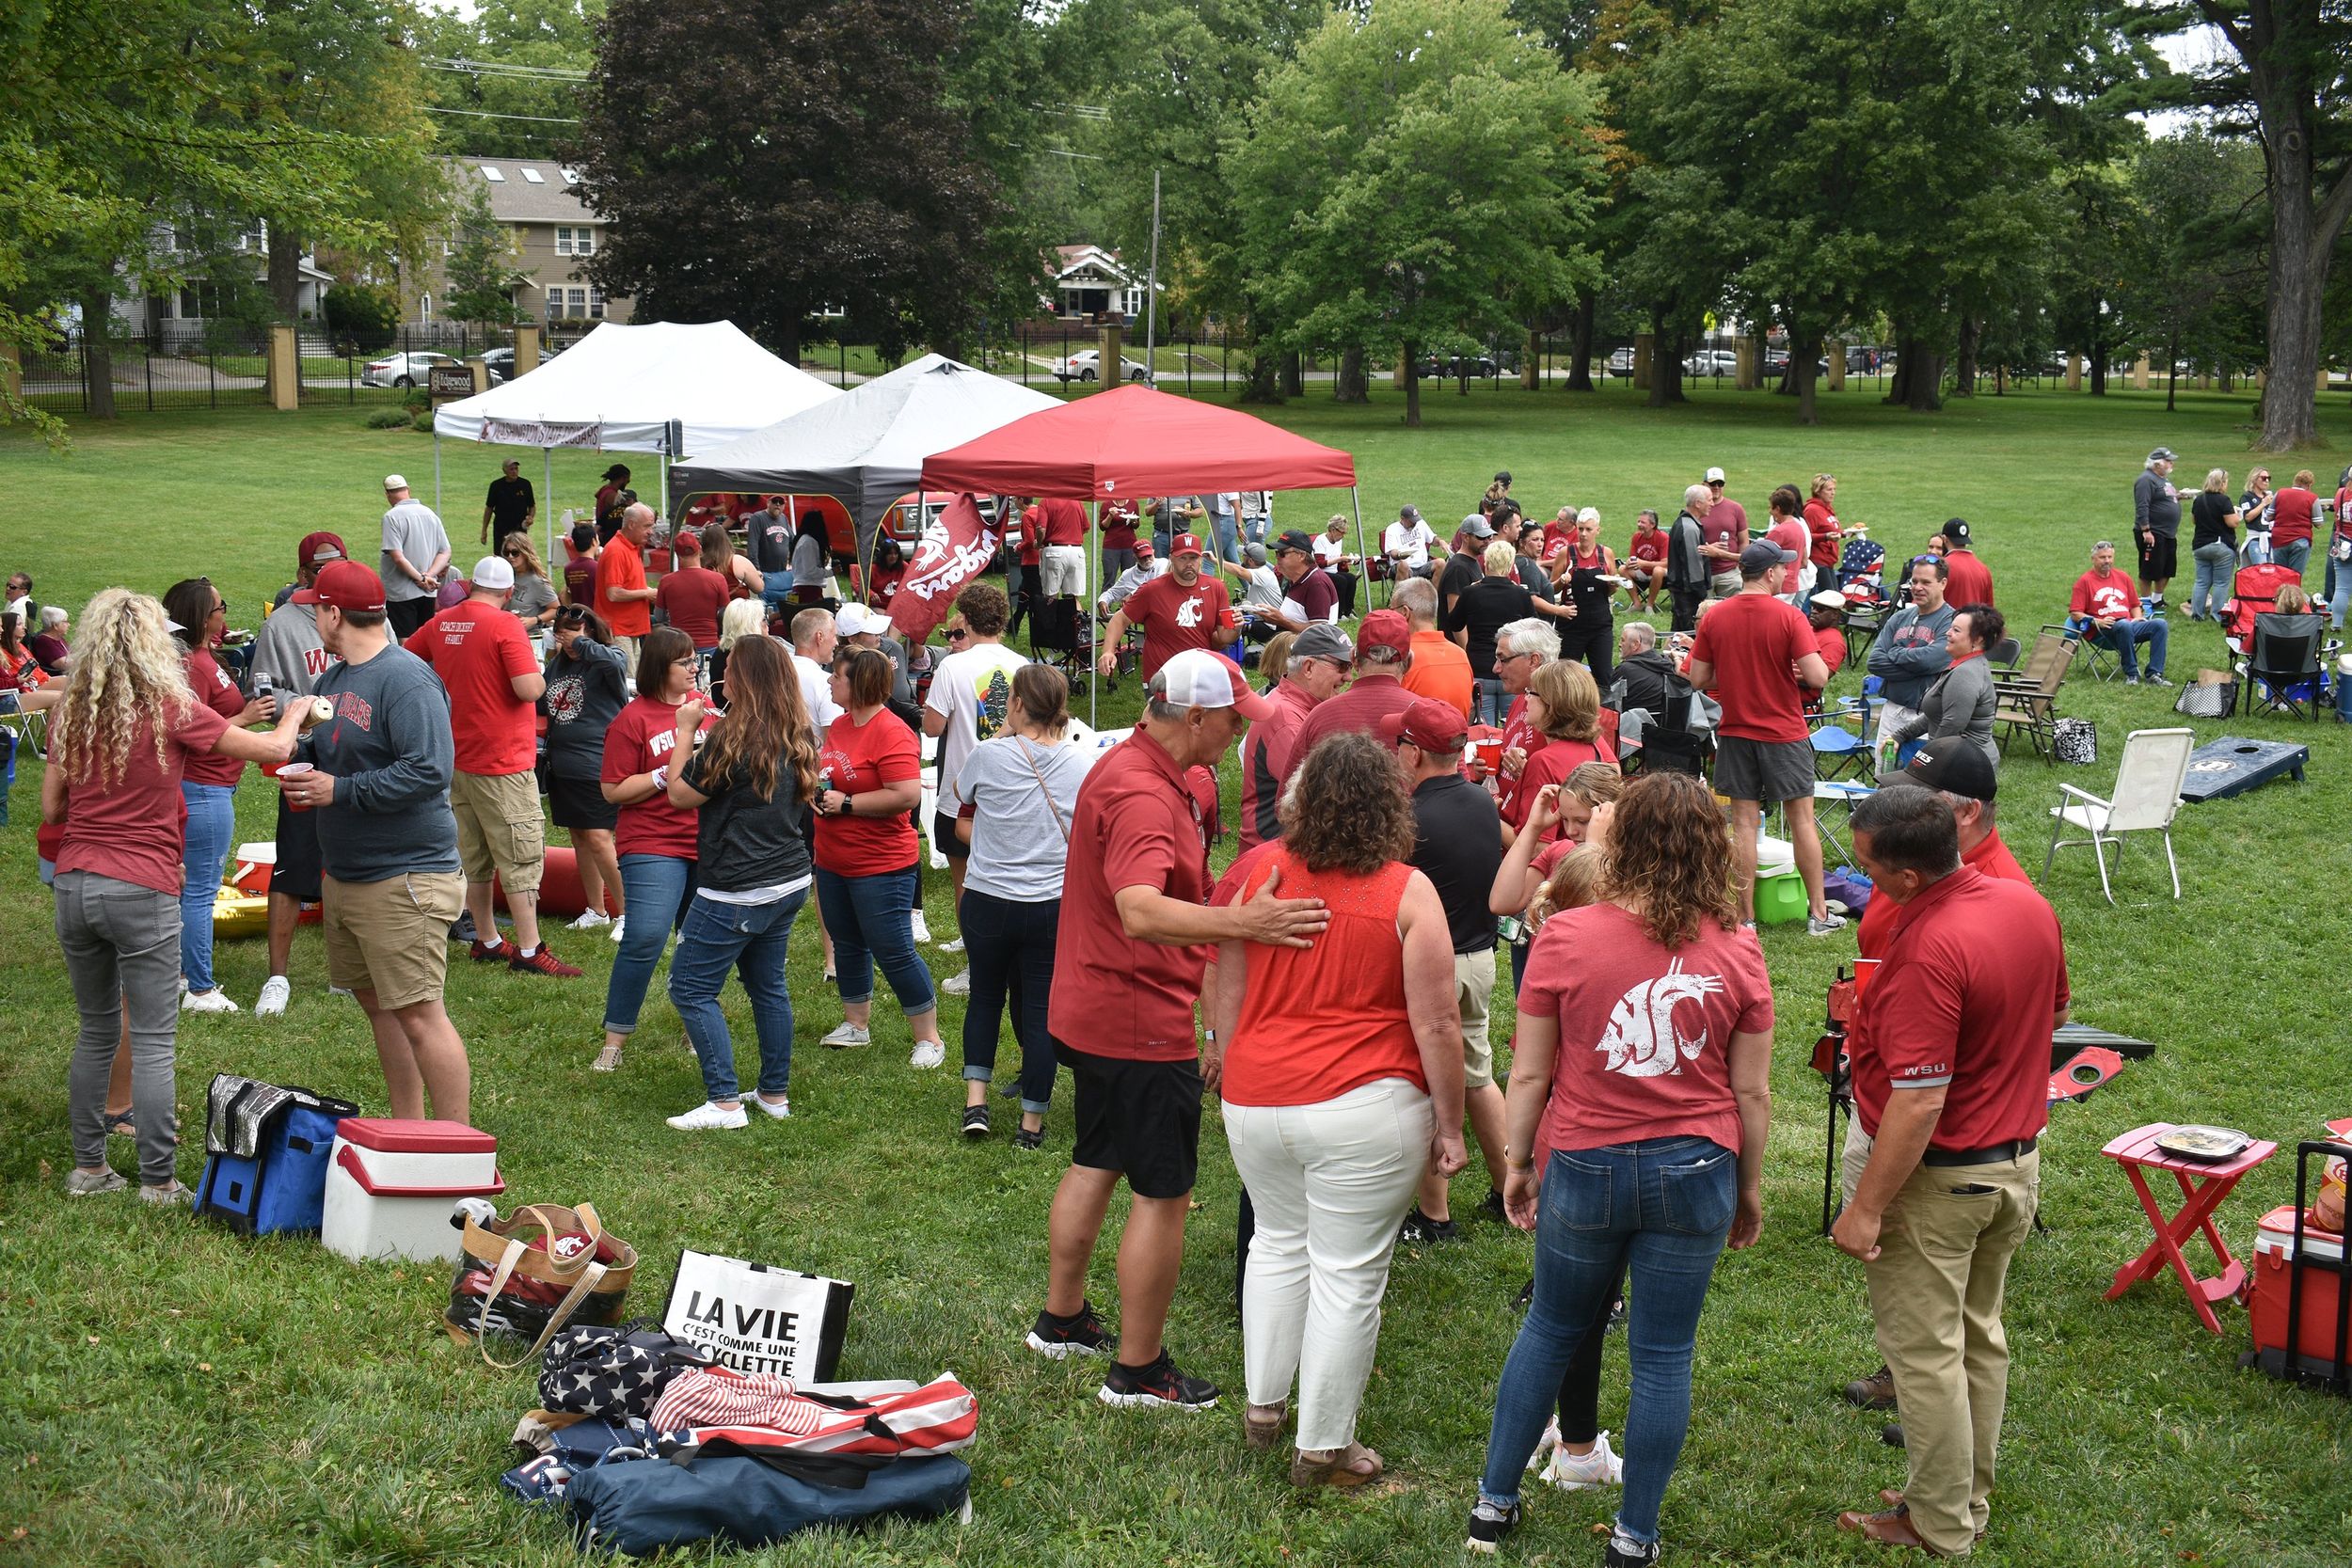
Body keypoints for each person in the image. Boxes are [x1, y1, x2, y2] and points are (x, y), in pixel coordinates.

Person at [1466, 771, 1772, 1562]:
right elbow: (1752, 1091)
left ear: (1616, 841)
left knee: (1551, 1327)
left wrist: (1516, 1163)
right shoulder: (1738, 945)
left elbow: (1529, 1074)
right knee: (1664, 1353)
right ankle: (1635, 1538)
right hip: (1698, 1164)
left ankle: (1492, 1506)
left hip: (1587, 1160)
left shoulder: (1565, 935)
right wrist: (1748, 1187)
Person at [1025, 648, 1329, 1411]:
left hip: (1092, 1004)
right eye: (1231, 719)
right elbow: (1139, 906)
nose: (1236, 733)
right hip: (1135, 1016)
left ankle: (1061, 1318)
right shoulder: (1145, 795)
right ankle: (1139, 1369)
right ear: (1192, 716)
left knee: (1096, 1155)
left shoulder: (1130, 766)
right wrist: (1243, 920)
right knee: (1164, 1191)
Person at [1211, 730, 1468, 1488]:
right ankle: (1324, 1448)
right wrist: (1450, 1126)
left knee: (1276, 1246)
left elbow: (1225, 971)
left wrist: (1222, 1049)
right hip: (1365, 1102)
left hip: (1256, 1096)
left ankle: (1265, 1410)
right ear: (1392, 804)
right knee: (1347, 1274)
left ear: (1300, 797)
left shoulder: (1257, 868)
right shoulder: (1407, 890)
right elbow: (1439, 1023)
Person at [1831, 786, 2067, 1560]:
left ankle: (1936, 1523)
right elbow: (2056, 1012)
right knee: (1978, 1340)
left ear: (1903, 875)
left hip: (1943, 1181)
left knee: (1927, 1354)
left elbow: (1920, 1096)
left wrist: (1866, 1207)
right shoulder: (2024, 904)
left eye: (1866, 868)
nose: (1862, 881)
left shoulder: (1929, 947)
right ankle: (1961, 1496)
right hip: (2015, 1166)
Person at [49, 591, 309, 1202]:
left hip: (74, 881)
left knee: (94, 1029)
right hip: (141, 884)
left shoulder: (71, 711)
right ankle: (157, 1179)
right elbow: (273, 750)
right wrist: (296, 713)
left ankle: (89, 1169)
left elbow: (55, 806)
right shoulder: (169, 706)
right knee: (154, 1038)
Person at [281, 562, 471, 1123]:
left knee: (418, 1012)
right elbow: (331, 755)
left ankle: (454, 1150)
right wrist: (302, 765)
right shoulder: (333, 681)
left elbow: (429, 770)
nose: (312, 615)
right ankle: (409, 1129)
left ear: (335, 613)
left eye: (316, 607)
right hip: (348, 873)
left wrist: (338, 791)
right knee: (380, 1008)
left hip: (406, 875)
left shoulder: (406, 679)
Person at [659, 635, 820, 1130]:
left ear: (744, 679)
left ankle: (725, 1103)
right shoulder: (799, 731)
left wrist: (686, 728)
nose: (721, 676)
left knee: (689, 986)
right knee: (767, 985)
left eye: (728, 669)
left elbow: (680, 796)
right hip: (789, 878)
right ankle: (774, 1094)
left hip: (736, 886)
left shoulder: (733, 737)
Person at [405, 555, 580, 979]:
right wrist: (538, 672)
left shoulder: (444, 621)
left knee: (474, 853)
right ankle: (529, 947)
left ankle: (486, 939)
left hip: (456, 757)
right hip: (501, 761)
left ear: (471, 586)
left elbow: (408, 658)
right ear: (508, 593)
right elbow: (528, 689)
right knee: (520, 855)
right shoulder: (506, 626)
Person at [1384, 700, 1508, 1245]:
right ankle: (1512, 1190)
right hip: (1480, 959)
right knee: (1477, 1077)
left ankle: (1434, 1215)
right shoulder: (1483, 803)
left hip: (1429, 967)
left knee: (1428, 1079)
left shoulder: (1408, 819)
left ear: (1412, 752)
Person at [952, 664, 1089, 1145]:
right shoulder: (1083, 762)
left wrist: (1009, 734)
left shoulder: (988, 755)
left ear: (1015, 704)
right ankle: (1031, 1123)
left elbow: (959, 795)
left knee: (985, 997)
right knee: (1038, 1010)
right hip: (1051, 905)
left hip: (988, 897)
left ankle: (976, 1102)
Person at [1687, 541, 1838, 934]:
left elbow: (1699, 678)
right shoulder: (1789, 616)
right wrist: (1784, 671)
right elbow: (1819, 676)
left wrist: (1738, 673)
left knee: (1743, 826)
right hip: (1784, 734)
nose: (1787, 573)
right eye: (1782, 568)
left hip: (1736, 733)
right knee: (1801, 820)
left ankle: (1744, 918)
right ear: (1770, 573)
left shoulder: (1716, 617)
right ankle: (1819, 915)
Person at [813, 647, 945, 1067]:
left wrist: (847, 803)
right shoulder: (838, 725)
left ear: (861, 684)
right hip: (834, 860)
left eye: (838, 676)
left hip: (881, 864)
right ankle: (856, 1024)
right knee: (848, 941)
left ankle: (930, 1038)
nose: (830, 682)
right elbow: (831, 775)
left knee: (893, 948)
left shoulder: (891, 731)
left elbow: (905, 795)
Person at [591, 627, 713, 1072]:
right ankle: (615, 1039)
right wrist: (666, 775)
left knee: (698, 941)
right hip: (653, 841)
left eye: (694, 660)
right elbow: (612, 790)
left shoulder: (707, 711)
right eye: (685, 662)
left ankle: (697, 1029)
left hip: (706, 841)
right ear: (662, 667)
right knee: (645, 935)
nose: (694, 667)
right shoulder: (633, 719)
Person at [245, 533, 346, 1019]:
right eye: (320, 567)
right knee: (293, 865)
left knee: (354, 863)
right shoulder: (282, 624)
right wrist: (306, 709)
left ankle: (347, 971)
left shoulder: (367, 613)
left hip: (358, 758)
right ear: (303, 572)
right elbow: (263, 693)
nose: (328, 573)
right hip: (307, 756)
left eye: (338, 564)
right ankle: (277, 977)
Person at [162, 578, 276, 1014]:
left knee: (190, 887)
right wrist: (246, 717)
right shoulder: (192, 665)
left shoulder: (204, 658)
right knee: (199, 891)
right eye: (220, 607)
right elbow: (191, 734)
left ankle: (180, 973)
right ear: (201, 617)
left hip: (210, 787)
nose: (225, 613)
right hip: (203, 790)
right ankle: (199, 988)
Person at [925, 580, 1027, 918]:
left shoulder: (952, 666)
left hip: (962, 793)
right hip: (1014, 788)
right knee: (1011, 882)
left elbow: (932, 727)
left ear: (965, 620)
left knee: (965, 884)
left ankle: (974, 963)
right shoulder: (1022, 664)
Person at [542, 605, 629, 937]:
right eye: (561, 632)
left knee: (599, 838)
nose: (566, 639)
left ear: (590, 631)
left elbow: (617, 663)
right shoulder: (557, 666)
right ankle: (596, 909)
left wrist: (580, 644)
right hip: (563, 765)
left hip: (597, 762)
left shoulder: (604, 659)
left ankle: (628, 912)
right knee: (579, 838)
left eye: (573, 631)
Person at [1237, 622, 1350, 852]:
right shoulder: (1286, 720)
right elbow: (1322, 799)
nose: (1348, 677)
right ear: (1308, 667)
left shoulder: (1304, 707)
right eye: (1341, 666)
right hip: (1272, 856)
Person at [1285, 610, 1419, 785]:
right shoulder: (1430, 715)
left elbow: (1288, 798)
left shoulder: (1319, 716)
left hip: (1332, 813)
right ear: (1409, 662)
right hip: (1410, 813)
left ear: (1354, 659)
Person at [1496, 658, 1615, 848]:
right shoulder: (1593, 745)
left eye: (1531, 692)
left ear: (1550, 704)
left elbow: (1535, 849)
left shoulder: (1544, 761)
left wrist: (1488, 815)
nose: (1525, 699)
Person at [1457, 541, 1577, 725]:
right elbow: (1535, 627)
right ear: (1511, 566)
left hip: (1479, 667)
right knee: (1515, 724)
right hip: (1513, 668)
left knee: (1483, 731)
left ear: (1486, 564)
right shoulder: (1520, 594)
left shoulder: (1470, 593)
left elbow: (1454, 623)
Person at [1098, 533, 1237, 681]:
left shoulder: (1216, 587)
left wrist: (1237, 628)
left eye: (1193, 558)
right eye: (1183, 558)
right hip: (1162, 678)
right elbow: (1120, 619)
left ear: (1201, 559)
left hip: (1200, 676)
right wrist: (1108, 651)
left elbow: (1224, 637)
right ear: (1171, 558)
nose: (1189, 563)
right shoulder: (1152, 590)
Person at [1889, 604, 2001, 771]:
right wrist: (1901, 735)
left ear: (1977, 640)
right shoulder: (1965, 665)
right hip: (1952, 758)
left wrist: (1923, 763)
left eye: (1956, 630)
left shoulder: (1966, 673)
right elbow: (1937, 714)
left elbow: (1952, 725)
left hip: (1965, 767)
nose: (1948, 633)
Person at [1867, 556, 1955, 735]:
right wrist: (1920, 670)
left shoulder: (1952, 621)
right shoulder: (1899, 617)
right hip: (1891, 709)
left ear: (1943, 583)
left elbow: (1930, 661)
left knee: (1919, 763)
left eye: (1925, 582)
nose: (1917, 588)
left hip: (1926, 716)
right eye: (1914, 581)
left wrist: (1895, 653)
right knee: (1883, 762)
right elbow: (1874, 662)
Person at [2067, 540, 2169, 686]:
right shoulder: (2084, 582)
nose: (2107, 561)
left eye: (2110, 557)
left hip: (2129, 626)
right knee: (2123, 625)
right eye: (2103, 557)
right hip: (2103, 630)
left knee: (2160, 624)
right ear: (2093, 559)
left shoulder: (2123, 577)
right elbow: (2075, 613)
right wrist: (2096, 621)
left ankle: (2154, 674)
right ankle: (2132, 674)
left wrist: (2139, 618)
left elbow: (2134, 605)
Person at [378, 473, 451, 641]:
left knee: (405, 642)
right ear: (408, 490)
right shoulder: (430, 514)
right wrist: (429, 576)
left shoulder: (391, 517)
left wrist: (421, 578)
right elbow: (445, 551)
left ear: (387, 494)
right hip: (428, 592)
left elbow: (397, 557)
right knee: (426, 641)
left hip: (401, 594)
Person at [1554, 509, 1619, 688]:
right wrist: (1562, 580)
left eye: (1588, 529)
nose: (1583, 534)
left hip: (1600, 626)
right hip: (1571, 626)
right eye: (1580, 529)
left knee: (1604, 678)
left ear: (1598, 530)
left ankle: (1605, 714)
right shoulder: (1566, 553)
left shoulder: (1606, 554)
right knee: (1565, 679)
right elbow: (1550, 589)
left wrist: (1615, 585)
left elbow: (1610, 590)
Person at [1396, 577, 1473, 719]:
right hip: (1457, 737)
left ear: (1405, 612)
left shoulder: (1401, 658)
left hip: (1415, 739)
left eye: (1392, 609)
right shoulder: (1461, 655)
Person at [657, 529, 731, 674]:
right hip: (710, 645)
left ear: (677, 555)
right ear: (700, 550)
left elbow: (659, 617)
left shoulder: (666, 582)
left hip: (679, 647)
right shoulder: (717, 579)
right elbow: (726, 614)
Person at [597, 503, 658, 674]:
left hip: (630, 629)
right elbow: (614, 593)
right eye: (647, 526)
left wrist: (647, 590)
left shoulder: (632, 546)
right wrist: (647, 593)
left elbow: (629, 583)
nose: (651, 531)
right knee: (629, 682)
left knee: (635, 679)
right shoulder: (616, 550)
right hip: (619, 630)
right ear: (631, 524)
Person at [1262, 530, 1340, 636]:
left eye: (1282, 553)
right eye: (1276, 552)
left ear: (1301, 555)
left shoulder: (1317, 584)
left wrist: (1281, 620)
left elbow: (1319, 631)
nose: (1277, 557)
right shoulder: (1296, 578)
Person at [2133, 447, 2182, 604]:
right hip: (2153, 531)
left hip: (2168, 532)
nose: (2171, 463)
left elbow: (2163, 498)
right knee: (2150, 568)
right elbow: (2142, 505)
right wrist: (2146, 530)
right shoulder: (2146, 480)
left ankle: (2157, 599)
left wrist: (2179, 496)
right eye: (2168, 461)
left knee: (2167, 567)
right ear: (2157, 464)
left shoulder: (2163, 479)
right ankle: (2146, 601)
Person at [1662, 491, 1711, 632]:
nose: (1712, 504)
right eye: (1709, 500)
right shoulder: (1689, 528)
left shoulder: (1685, 523)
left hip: (1681, 592)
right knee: (1687, 637)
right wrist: (1703, 595)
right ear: (1697, 503)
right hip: (1688, 595)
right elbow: (1693, 568)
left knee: (1677, 635)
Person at [1438, 516, 1494, 630]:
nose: (1487, 541)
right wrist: (1465, 648)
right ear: (1465, 537)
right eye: (1481, 537)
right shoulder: (1458, 569)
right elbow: (1456, 620)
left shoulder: (1472, 561)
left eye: (1489, 536)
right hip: (1457, 645)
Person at [1612, 622, 1677, 716]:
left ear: (1635, 644)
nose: (1619, 644)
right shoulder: (1668, 664)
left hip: (1632, 727)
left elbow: (1608, 703)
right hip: (1665, 726)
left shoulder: (1625, 670)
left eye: (1622, 640)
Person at [1699, 468, 1747, 597]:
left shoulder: (1736, 508)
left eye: (1720, 484)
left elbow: (1743, 541)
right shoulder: (1697, 508)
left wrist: (1742, 566)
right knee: (1702, 613)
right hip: (1702, 571)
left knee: (1732, 613)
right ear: (1704, 485)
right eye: (1712, 484)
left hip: (1730, 572)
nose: (1716, 487)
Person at [2271, 467, 2321, 579]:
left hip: (2279, 539)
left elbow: (2269, 516)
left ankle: (2280, 596)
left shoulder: (2280, 493)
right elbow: (2319, 523)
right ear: (2309, 485)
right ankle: (2292, 596)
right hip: (2300, 539)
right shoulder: (2312, 498)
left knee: (2280, 576)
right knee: (2294, 577)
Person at [501, 534, 559, 631]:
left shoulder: (537, 581)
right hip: (508, 631)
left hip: (529, 636)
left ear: (525, 553)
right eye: (507, 552)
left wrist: (535, 620)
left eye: (515, 553)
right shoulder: (507, 576)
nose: (510, 556)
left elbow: (556, 610)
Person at [481, 458, 535, 550]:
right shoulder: (496, 486)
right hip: (501, 528)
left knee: (519, 554)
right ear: (504, 471)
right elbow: (489, 508)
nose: (514, 472)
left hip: (519, 528)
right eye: (511, 469)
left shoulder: (525, 484)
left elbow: (532, 505)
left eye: (516, 469)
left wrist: (530, 517)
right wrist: (484, 530)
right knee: (501, 554)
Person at [1940, 519, 1994, 609]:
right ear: (1969, 537)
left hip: (1950, 622)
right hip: (1976, 622)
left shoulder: (1941, 566)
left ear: (1944, 539)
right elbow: (1989, 609)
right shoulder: (1983, 569)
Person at [1312, 515, 1359, 618]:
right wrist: (1340, 559)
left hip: (1333, 571)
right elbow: (1320, 563)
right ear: (1333, 530)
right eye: (1342, 532)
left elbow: (1338, 559)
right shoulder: (1321, 540)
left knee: (1351, 578)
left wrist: (1349, 561)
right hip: (1320, 573)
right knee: (1341, 581)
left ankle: (1348, 610)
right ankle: (1339, 613)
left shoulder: (1339, 541)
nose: (1343, 536)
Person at [1804, 475, 1844, 593]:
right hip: (1818, 561)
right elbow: (1805, 536)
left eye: (1834, 489)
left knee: (1834, 598)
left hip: (1828, 561)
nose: (1833, 493)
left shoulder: (1827, 508)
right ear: (1818, 491)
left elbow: (1832, 530)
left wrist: (1845, 533)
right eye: (1829, 490)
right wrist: (1825, 537)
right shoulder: (1812, 510)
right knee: (1829, 600)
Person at [1384, 504, 1439, 580]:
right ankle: (1402, 592)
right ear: (1402, 518)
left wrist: (1441, 542)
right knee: (1403, 565)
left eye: (1416, 520)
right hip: (1402, 567)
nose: (1414, 523)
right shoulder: (1392, 529)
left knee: (1441, 563)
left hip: (1422, 566)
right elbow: (1393, 553)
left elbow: (1433, 539)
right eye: (1412, 521)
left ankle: (1433, 592)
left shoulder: (1420, 523)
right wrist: (1401, 555)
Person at [789, 511, 832, 607]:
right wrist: (831, 572)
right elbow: (810, 571)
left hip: (804, 588)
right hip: (808, 590)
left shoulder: (803, 540)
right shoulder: (809, 542)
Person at [1806, 590, 1850, 683]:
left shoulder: (1834, 642)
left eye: (1820, 609)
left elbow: (1820, 678)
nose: (1814, 611)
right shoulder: (1808, 629)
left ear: (1835, 615)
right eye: (1813, 607)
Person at [2238, 467, 2278, 564]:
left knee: (2272, 573)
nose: (2267, 481)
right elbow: (2248, 517)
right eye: (2264, 478)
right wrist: (2263, 504)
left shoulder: (2269, 497)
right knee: (2261, 571)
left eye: (2269, 478)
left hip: (2271, 539)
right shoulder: (2247, 497)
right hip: (2256, 539)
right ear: (2255, 479)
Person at [560, 521, 599, 607]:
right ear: (594, 541)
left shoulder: (568, 568)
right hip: (595, 615)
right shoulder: (597, 567)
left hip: (577, 614)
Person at [1101, 499, 1140, 578]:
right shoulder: (1106, 504)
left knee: (1129, 577)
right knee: (1109, 576)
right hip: (1111, 546)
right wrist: (1110, 516)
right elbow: (1103, 527)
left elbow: (1136, 525)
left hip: (1129, 545)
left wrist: (1134, 521)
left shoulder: (1133, 503)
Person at [594, 463, 632, 544]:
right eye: (627, 480)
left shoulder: (605, 489)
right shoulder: (612, 495)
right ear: (622, 478)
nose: (628, 482)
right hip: (607, 534)